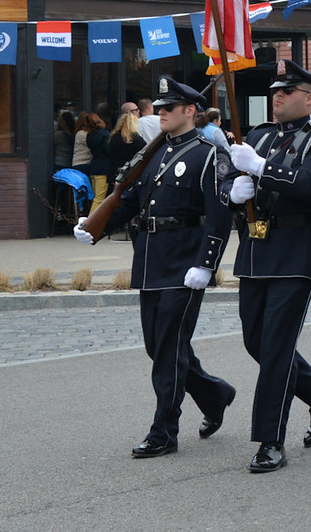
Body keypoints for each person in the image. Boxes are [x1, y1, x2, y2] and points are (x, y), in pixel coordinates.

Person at [73, 77, 236, 458]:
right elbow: (130, 200)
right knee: (157, 346)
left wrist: (206, 265)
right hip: (151, 260)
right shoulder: (156, 152)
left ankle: (164, 431)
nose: (161, 113)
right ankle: (215, 394)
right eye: (159, 107)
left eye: (169, 108)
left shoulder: (209, 154)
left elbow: (219, 216)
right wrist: (94, 227)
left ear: (190, 111)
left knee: (168, 350)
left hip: (185, 263)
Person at [222, 59, 311, 474]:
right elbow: (226, 181)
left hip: (298, 251)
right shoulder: (259, 135)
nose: (277, 95)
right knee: (256, 341)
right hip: (258, 249)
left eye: (287, 91)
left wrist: (260, 169)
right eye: (276, 90)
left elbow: (310, 187)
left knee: (276, 347)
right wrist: (233, 192)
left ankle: (270, 440)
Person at [72, 112, 110, 214]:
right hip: (98, 168)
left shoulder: (89, 136)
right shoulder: (101, 134)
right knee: (99, 199)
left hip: (93, 168)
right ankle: (91, 221)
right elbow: (108, 150)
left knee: (95, 198)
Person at [107, 112, 146, 192]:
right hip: (129, 174)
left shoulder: (114, 137)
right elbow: (145, 152)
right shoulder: (135, 138)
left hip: (114, 172)